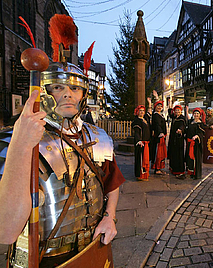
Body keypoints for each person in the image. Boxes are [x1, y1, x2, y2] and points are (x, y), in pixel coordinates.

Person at [0, 16, 125, 267]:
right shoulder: (18, 139)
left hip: (93, 247)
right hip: (44, 257)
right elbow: (5, 230)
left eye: (75, 88)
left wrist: (110, 216)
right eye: (57, 87)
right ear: (44, 91)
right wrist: (21, 146)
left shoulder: (97, 136)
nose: (68, 93)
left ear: (83, 94)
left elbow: (112, 182)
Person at [133, 100, 152, 181]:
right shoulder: (136, 121)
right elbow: (137, 132)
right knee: (141, 160)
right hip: (141, 143)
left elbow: (149, 112)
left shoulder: (145, 119)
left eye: (143, 111)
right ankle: (140, 175)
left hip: (146, 143)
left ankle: (145, 173)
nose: (142, 112)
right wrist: (139, 140)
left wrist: (150, 103)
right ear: (137, 112)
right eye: (140, 111)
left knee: (146, 159)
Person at [184, 108, 206, 180]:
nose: (196, 115)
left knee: (196, 158)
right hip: (189, 143)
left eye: (197, 114)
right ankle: (190, 172)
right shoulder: (191, 122)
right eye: (195, 113)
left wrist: (197, 136)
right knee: (189, 158)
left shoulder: (201, 124)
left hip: (196, 144)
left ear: (200, 115)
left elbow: (202, 133)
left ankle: (196, 174)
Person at [167, 105, 187, 178]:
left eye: (178, 110)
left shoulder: (182, 118)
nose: (177, 112)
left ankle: (179, 170)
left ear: (181, 111)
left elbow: (183, 125)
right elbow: (169, 112)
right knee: (173, 153)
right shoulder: (174, 117)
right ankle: (173, 169)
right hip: (173, 139)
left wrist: (180, 130)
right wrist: (170, 105)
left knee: (178, 154)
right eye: (176, 111)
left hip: (179, 139)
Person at [150, 100, 167, 175]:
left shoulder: (160, 115)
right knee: (158, 153)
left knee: (161, 153)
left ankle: (159, 168)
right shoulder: (155, 115)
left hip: (162, 136)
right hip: (158, 137)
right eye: (158, 106)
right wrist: (160, 133)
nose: (159, 107)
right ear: (155, 107)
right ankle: (157, 169)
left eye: (160, 106)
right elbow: (157, 125)